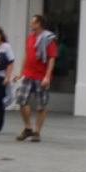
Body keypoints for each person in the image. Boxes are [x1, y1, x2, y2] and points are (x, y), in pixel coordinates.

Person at [14, 14, 57, 143]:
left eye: (33, 22)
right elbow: (26, 55)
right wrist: (21, 72)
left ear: (39, 24)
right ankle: (28, 127)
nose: (30, 24)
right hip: (28, 74)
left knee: (41, 105)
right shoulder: (30, 38)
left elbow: (51, 58)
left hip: (41, 76)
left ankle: (37, 131)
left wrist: (47, 76)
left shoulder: (49, 39)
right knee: (21, 99)